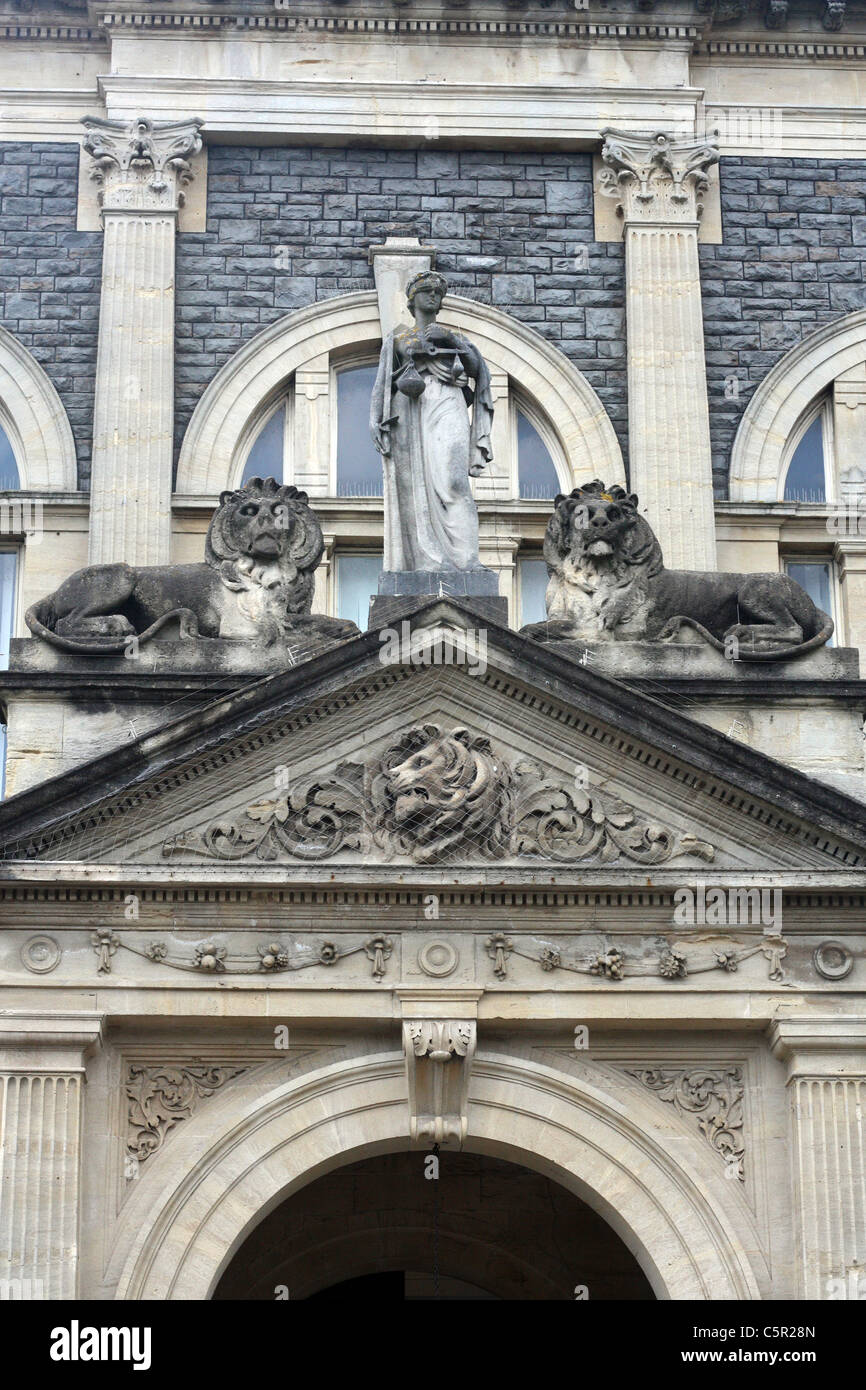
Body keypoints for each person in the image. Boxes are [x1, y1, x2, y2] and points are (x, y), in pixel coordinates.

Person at [370, 270, 494, 572]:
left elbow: (477, 369)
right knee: (415, 489)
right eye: (426, 291)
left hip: (447, 403)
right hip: (411, 409)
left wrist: (451, 340)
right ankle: (428, 561)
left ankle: (467, 561)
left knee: (453, 481)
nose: (433, 296)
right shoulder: (400, 335)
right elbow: (383, 383)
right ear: (413, 300)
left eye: (438, 292)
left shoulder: (456, 337)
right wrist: (376, 419)